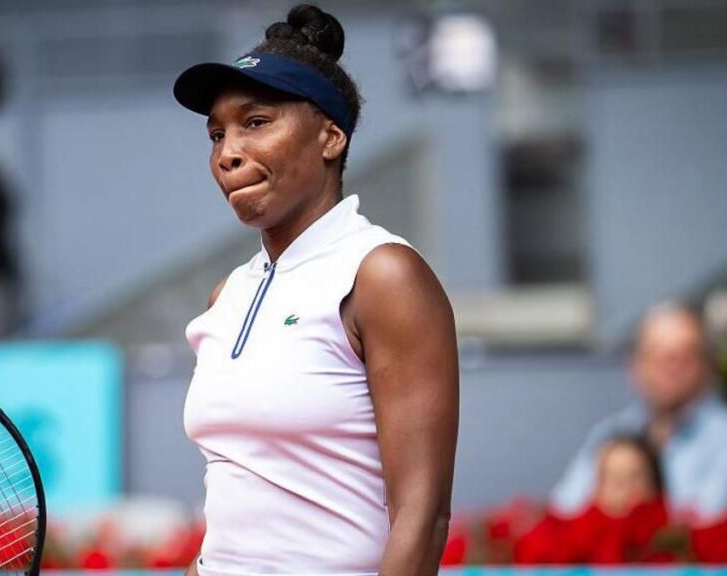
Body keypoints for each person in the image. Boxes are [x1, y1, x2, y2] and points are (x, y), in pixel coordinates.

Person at [173, 5, 459, 575]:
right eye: (217, 133)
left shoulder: (383, 275)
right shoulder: (226, 296)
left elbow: (421, 518)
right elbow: (241, 498)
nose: (227, 153)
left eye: (256, 122)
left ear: (330, 137)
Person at [551, 302, 727, 524]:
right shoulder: (611, 434)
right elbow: (565, 510)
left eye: (685, 356)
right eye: (659, 356)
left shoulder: (722, 438)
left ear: (707, 365)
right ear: (635, 365)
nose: (672, 368)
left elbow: (704, 527)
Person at [518, 436, 673, 564]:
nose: (623, 488)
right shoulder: (573, 542)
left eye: (634, 478)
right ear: (597, 488)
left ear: (655, 485)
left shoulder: (676, 542)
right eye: (614, 479)